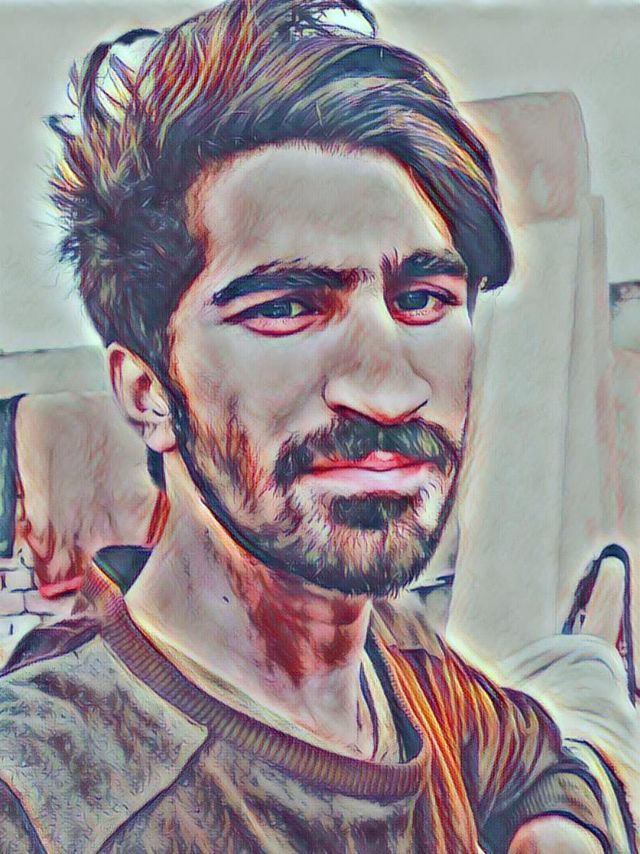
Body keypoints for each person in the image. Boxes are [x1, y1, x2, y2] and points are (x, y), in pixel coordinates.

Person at [0, 1, 634, 851]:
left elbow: (533, 757)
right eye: (285, 307)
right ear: (148, 391)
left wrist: (557, 828)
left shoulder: (397, 659)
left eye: (423, 299)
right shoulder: (48, 796)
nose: (391, 390)